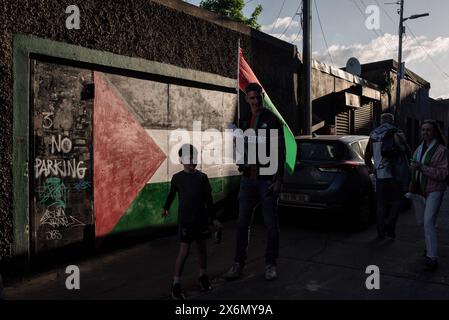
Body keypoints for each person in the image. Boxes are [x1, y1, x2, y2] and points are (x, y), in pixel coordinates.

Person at [224, 83, 284, 281]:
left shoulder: (272, 120)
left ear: (262, 97)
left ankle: (270, 265)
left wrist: (278, 180)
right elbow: (240, 151)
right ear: (246, 99)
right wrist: (237, 147)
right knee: (242, 223)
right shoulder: (243, 121)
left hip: (267, 181)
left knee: (270, 224)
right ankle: (238, 264)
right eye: (251, 98)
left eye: (258, 97)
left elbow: (279, 151)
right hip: (248, 180)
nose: (255, 101)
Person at [162, 144, 222, 300]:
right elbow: (171, 194)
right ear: (181, 160)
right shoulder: (177, 178)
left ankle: (202, 276)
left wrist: (213, 218)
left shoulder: (202, 178)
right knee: (184, 252)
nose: (192, 161)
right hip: (186, 222)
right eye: (188, 158)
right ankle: (175, 284)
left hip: (201, 220)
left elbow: (209, 200)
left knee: (202, 249)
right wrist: (166, 207)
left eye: (194, 157)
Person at [407, 120, 448, 271]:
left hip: (435, 189)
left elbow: (443, 174)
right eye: (423, 130)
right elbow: (414, 162)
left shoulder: (441, 150)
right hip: (419, 189)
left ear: (435, 132)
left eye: (428, 130)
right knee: (423, 222)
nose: (425, 132)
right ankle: (430, 246)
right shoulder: (419, 147)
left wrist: (422, 168)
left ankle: (432, 257)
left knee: (428, 221)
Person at [365, 113, 411, 239]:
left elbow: (367, 156)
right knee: (397, 200)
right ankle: (390, 224)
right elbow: (408, 152)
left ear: (381, 121)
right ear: (392, 121)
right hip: (395, 175)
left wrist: (372, 169)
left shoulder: (373, 134)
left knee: (380, 203)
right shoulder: (397, 132)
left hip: (380, 175)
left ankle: (380, 231)